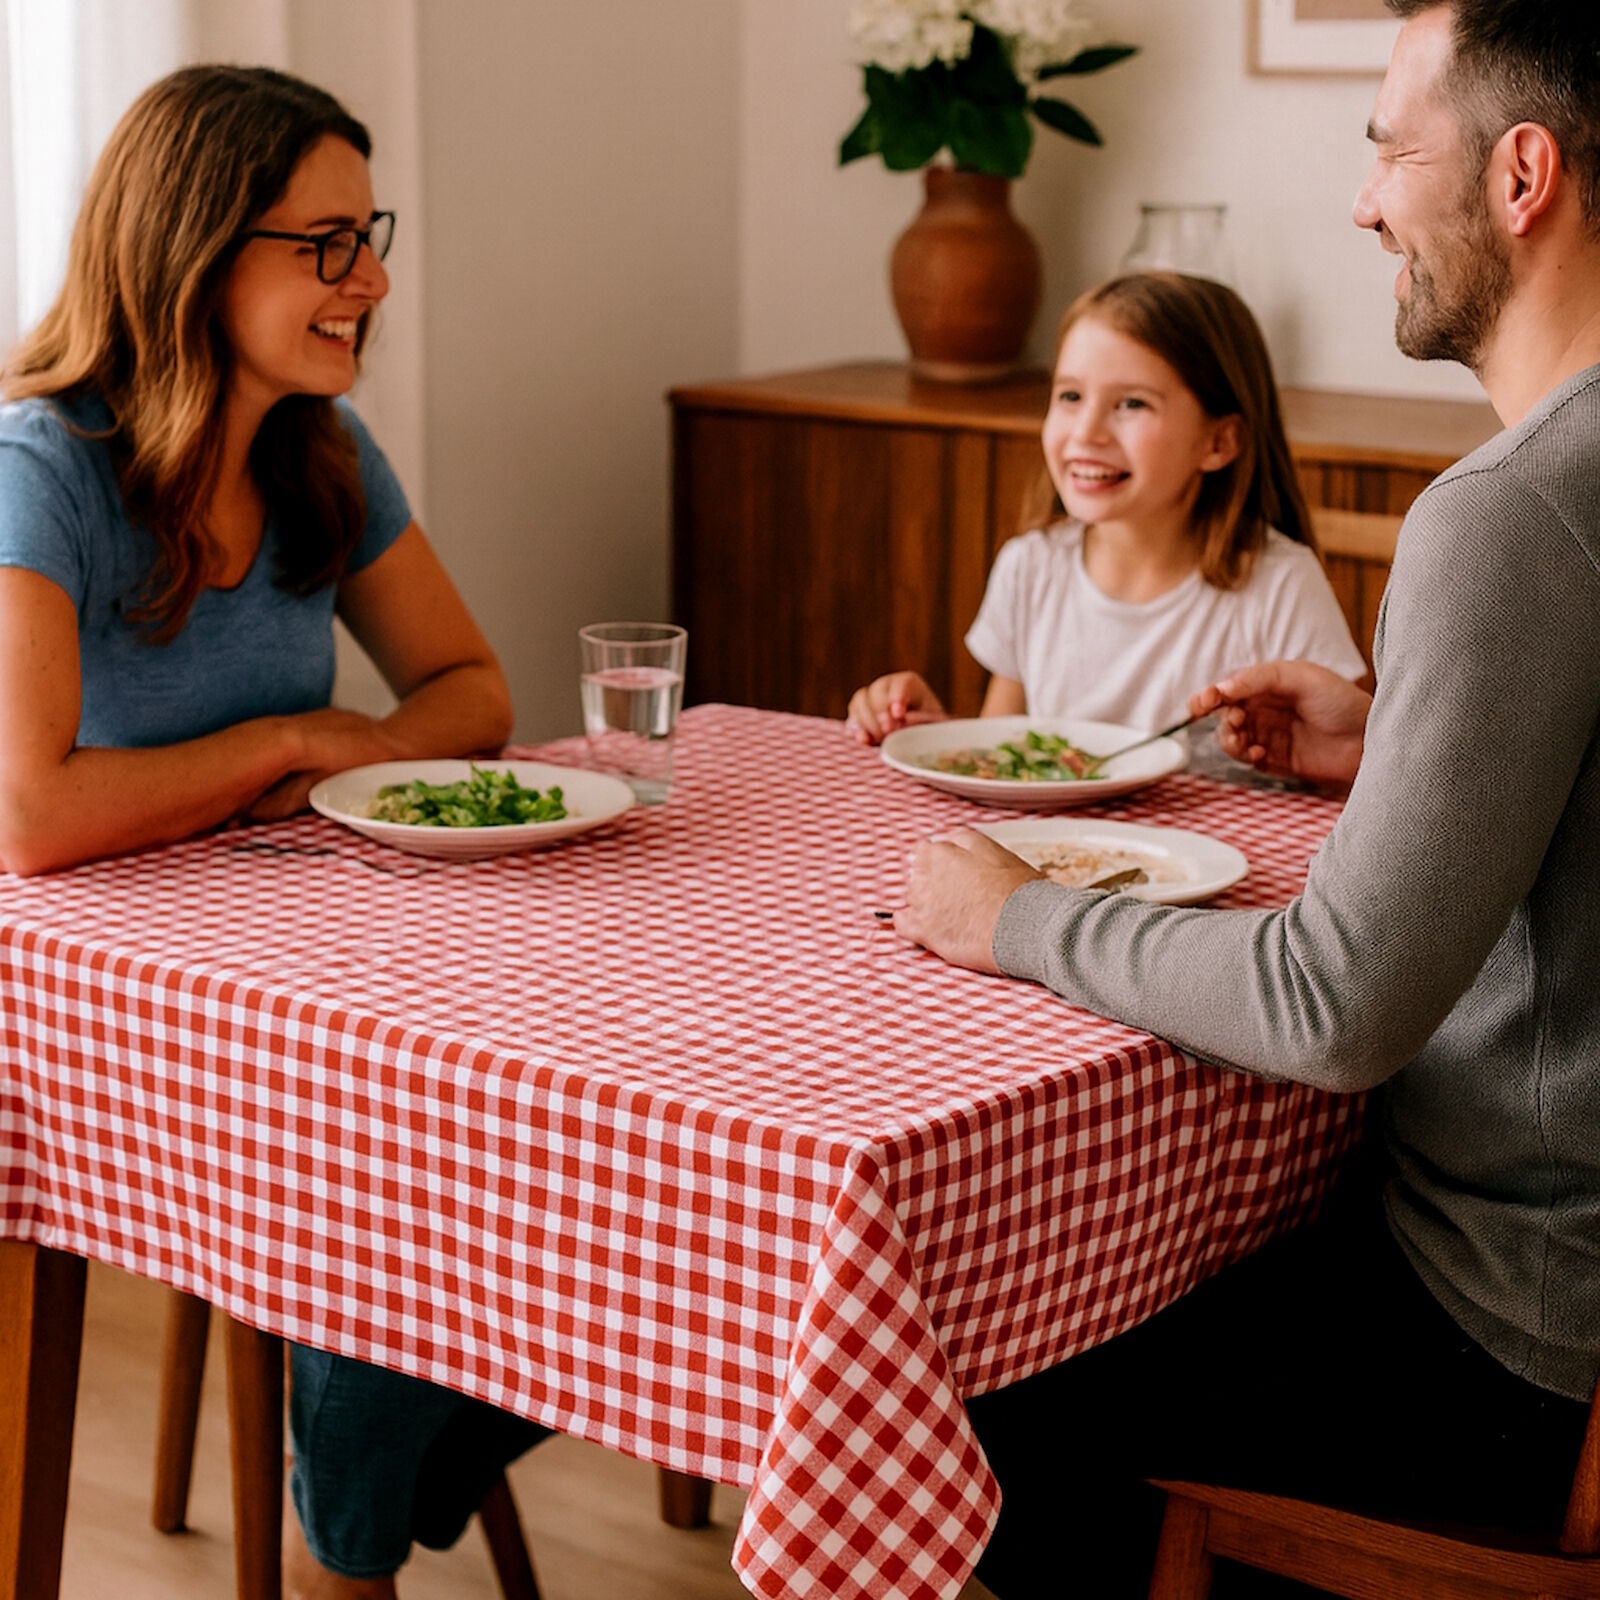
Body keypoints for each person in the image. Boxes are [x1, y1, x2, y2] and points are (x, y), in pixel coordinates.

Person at [895, 1, 1600, 1593]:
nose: (1363, 203)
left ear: (1521, 178)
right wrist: (1399, 737)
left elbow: (1334, 1005)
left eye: (1390, 151)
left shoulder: (1507, 516)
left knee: (962, 1396)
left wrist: (1017, 916)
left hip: (1512, 1339)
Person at [0, 66, 546, 1598]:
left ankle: (419, 1454)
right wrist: (296, 740)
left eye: (370, 236)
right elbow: (30, 818)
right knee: (394, 1133)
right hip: (102, 1026)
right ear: (195, 250)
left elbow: (472, 690)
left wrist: (348, 750)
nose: (371, 281)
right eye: (327, 244)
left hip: (303, 967)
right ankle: (351, 1546)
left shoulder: (322, 450)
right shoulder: (41, 469)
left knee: (528, 1082)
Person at [845, 272, 1366, 745]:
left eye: (1132, 403)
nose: (1086, 433)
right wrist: (930, 734)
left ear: (1219, 442)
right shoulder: (1030, 568)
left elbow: (1360, 768)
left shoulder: (1280, 586)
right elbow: (1000, 752)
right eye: (1070, 397)